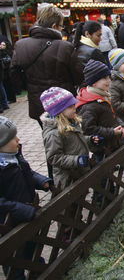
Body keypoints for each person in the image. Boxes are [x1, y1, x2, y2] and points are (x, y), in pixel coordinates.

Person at [10, 3, 82, 126]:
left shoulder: (20, 45)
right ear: (54, 26)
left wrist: (30, 87)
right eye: (61, 26)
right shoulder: (65, 47)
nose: (62, 29)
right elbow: (79, 77)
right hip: (64, 103)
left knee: (48, 133)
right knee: (70, 135)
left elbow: (14, 75)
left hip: (38, 101)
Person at [0, 116, 52, 280]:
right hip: (7, 225)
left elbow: (27, 173)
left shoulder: (14, 155)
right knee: (14, 262)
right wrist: (20, 209)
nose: (18, 139)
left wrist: (42, 181)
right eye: (12, 138)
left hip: (27, 217)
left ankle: (40, 272)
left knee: (33, 250)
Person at [40, 87, 101, 190]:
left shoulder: (71, 122)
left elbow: (76, 140)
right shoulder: (53, 133)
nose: (75, 108)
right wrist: (76, 160)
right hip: (68, 177)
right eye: (70, 106)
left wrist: (89, 140)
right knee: (73, 203)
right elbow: (54, 157)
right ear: (59, 110)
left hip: (79, 171)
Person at [76, 59, 124, 162]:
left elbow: (112, 115)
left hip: (114, 142)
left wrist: (122, 126)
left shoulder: (103, 96)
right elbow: (88, 129)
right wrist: (111, 132)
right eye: (104, 78)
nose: (109, 81)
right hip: (103, 148)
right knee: (104, 173)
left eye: (109, 77)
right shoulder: (89, 105)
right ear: (94, 82)